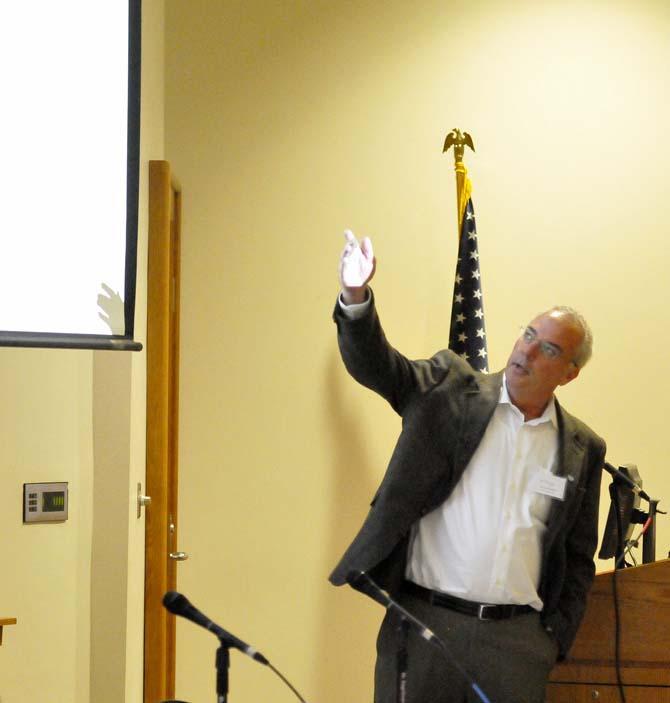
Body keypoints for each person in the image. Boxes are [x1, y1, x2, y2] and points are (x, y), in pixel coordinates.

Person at [330, 230, 606, 703]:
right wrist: (356, 297)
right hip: (423, 625)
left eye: (549, 350)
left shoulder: (583, 447)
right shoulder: (449, 391)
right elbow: (380, 367)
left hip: (517, 645)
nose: (527, 351)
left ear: (570, 373)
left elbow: (578, 557)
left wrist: (551, 639)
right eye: (528, 334)